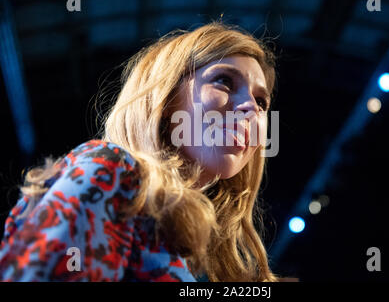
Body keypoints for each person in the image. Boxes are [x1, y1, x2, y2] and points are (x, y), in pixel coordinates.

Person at [0, 21, 280, 282]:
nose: (250, 109)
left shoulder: (175, 240)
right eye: (224, 81)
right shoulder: (111, 171)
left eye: (261, 101)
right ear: (166, 98)